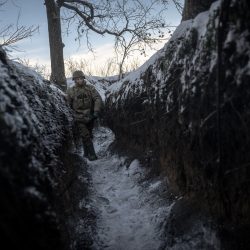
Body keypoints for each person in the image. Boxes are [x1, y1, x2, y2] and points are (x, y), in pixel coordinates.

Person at [67, 70, 103, 161]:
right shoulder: (71, 91)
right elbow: (68, 104)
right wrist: (72, 115)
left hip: (90, 116)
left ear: (83, 78)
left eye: (81, 78)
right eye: (77, 79)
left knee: (89, 135)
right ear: (74, 80)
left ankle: (86, 153)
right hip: (79, 117)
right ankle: (92, 155)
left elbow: (97, 99)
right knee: (85, 135)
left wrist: (96, 111)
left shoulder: (90, 88)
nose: (79, 80)